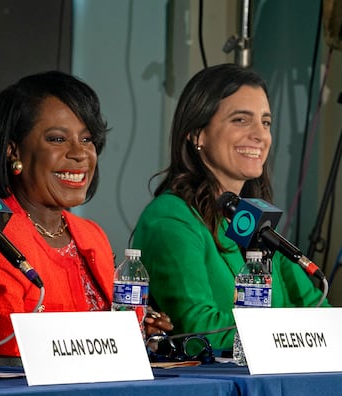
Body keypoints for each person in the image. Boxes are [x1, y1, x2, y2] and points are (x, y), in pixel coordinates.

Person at [0, 71, 173, 358]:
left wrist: (136, 333)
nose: (80, 153)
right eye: (58, 139)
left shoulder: (90, 235)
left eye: (87, 139)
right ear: (13, 151)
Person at [133, 63, 329, 352]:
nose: (260, 135)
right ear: (198, 134)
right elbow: (199, 331)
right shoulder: (170, 217)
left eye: (265, 122)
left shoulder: (252, 219)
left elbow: (316, 311)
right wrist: (287, 337)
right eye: (241, 120)